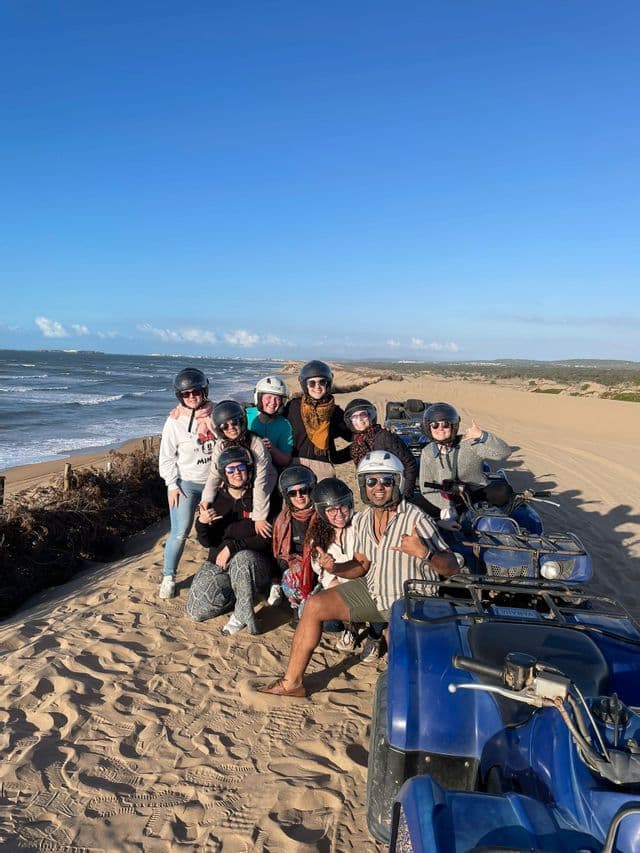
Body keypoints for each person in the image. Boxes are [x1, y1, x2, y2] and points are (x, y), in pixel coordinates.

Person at [259, 450, 460, 697]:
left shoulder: (416, 519)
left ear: (397, 482)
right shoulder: (364, 519)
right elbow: (361, 565)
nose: (378, 487)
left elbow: (452, 566)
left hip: (410, 601)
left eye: (386, 480)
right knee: (314, 605)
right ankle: (292, 683)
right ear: (363, 485)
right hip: (374, 593)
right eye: (371, 481)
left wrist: (425, 554)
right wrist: (335, 568)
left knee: (405, 665)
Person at [187, 446, 274, 635]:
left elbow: (267, 538)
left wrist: (234, 547)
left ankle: (243, 614)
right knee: (195, 611)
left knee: (242, 559)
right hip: (220, 562)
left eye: (241, 468)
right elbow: (206, 541)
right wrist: (202, 523)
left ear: (249, 470)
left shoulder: (260, 497)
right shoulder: (215, 499)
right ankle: (241, 593)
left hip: (255, 563)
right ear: (224, 473)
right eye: (231, 470)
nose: (237, 473)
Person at [158, 368, 215, 600]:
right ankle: (168, 577)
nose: (192, 397)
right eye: (186, 394)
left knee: (218, 529)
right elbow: (167, 456)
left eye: (196, 392)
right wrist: (172, 484)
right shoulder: (174, 421)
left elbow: (237, 422)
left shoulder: (216, 412)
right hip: (187, 484)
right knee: (180, 532)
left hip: (215, 483)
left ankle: (219, 570)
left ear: (205, 391)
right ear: (180, 396)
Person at [419, 402, 512, 526]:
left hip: (475, 495)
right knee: (413, 504)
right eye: (434, 425)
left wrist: (482, 436)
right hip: (446, 497)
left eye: (445, 424)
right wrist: (446, 506)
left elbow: (504, 452)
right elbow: (426, 489)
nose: (440, 429)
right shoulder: (428, 452)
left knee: (503, 491)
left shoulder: (470, 444)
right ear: (428, 428)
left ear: (453, 426)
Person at [200, 400, 277, 539]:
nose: (231, 428)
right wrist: (206, 500)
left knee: (260, 521)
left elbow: (261, 481)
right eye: (224, 425)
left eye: (235, 422)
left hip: (264, 481)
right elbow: (214, 475)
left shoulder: (256, 444)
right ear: (219, 429)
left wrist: (260, 516)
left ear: (242, 421)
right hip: (240, 482)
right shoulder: (220, 446)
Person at [307, 477, 361, 652]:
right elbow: (326, 577)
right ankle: (350, 627)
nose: (339, 514)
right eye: (331, 510)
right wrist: (331, 576)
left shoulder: (361, 523)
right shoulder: (318, 538)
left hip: (366, 583)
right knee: (329, 623)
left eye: (343, 507)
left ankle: (375, 638)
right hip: (340, 587)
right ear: (322, 512)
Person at [283, 360, 352, 481]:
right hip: (295, 465)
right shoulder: (293, 407)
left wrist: (352, 452)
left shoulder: (335, 412)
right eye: (312, 383)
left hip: (323, 468)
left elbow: (353, 436)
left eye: (322, 382)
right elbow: (275, 423)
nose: (317, 387)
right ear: (305, 385)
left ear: (328, 384)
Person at [343, 398, 418, 497]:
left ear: (370, 416)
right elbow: (337, 459)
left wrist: (404, 495)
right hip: (373, 493)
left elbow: (410, 464)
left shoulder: (385, 436)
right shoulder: (356, 445)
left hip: (393, 491)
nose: (360, 420)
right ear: (350, 421)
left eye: (363, 415)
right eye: (355, 417)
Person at [272, 465, 318, 621]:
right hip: (297, 569)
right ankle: (296, 605)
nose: (299, 496)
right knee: (291, 576)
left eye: (303, 490)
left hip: (320, 565)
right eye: (292, 493)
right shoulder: (283, 519)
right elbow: (281, 555)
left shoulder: (323, 515)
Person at [245, 375, 293, 470]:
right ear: (259, 397)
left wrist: (272, 449)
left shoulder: (284, 425)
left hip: (270, 471)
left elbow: (286, 460)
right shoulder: (245, 415)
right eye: (269, 397)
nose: (273, 402)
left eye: (277, 398)